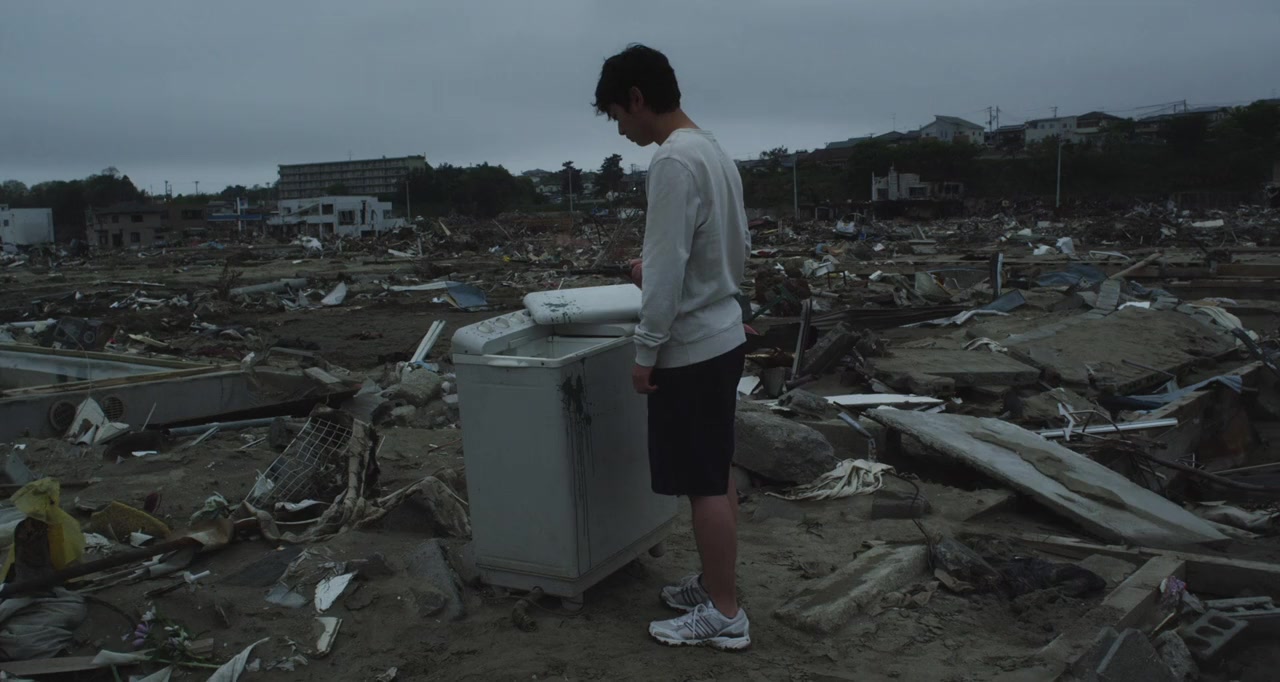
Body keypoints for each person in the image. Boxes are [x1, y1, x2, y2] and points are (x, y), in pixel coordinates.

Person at [593, 44, 750, 650]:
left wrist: (644, 353)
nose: (621, 130)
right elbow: (724, 245)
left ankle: (725, 612)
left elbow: (664, 270)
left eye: (617, 115)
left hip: (690, 347)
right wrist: (669, 276)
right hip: (723, 331)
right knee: (716, 469)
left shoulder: (672, 161)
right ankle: (715, 584)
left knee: (703, 483)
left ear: (637, 98)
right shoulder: (713, 150)